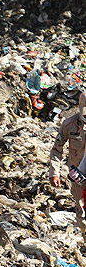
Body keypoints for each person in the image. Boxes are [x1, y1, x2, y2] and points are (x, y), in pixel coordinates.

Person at [49, 92, 86, 240]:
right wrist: (54, 172)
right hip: (77, 178)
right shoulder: (69, 125)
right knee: (82, 215)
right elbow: (57, 149)